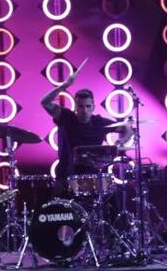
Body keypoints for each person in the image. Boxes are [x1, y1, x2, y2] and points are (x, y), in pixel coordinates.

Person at [39, 59, 132, 194]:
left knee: (112, 196)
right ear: (75, 106)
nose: (84, 110)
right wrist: (64, 86)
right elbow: (44, 102)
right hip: (66, 175)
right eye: (81, 106)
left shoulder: (100, 122)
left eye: (88, 106)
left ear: (93, 107)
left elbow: (126, 127)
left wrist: (122, 141)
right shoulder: (66, 117)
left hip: (94, 176)